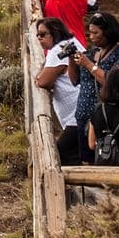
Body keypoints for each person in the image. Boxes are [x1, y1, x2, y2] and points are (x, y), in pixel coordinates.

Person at [66, 12, 119, 139]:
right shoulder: (91, 53)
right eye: (90, 33)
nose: (91, 37)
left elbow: (114, 83)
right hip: (84, 114)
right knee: (85, 157)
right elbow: (75, 80)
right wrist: (71, 59)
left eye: (95, 33)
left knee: (107, 155)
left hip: (107, 118)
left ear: (108, 32)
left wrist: (88, 64)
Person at [34, 17, 85, 165]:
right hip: (82, 112)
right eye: (37, 35)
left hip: (76, 117)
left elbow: (43, 81)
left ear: (55, 33)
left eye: (43, 34)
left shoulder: (60, 50)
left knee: (58, 156)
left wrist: (38, 76)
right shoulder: (72, 43)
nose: (39, 38)